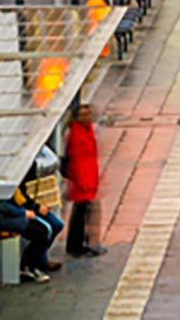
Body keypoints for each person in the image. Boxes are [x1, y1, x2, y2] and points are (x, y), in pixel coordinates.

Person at [0, 189, 58, 280]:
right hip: (0, 217)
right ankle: (29, 266)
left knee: (44, 230)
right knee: (40, 232)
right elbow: (1, 206)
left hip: (11, 214)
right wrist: (23, 212)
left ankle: (30, 265)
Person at [63, 104, 102, 257]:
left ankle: (82, 243)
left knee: (84, 214)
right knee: (80, 215)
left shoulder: (86, 130)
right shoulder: (76, 135)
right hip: (82, 181)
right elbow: (77, 161)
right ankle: (76, 245)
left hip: (88, 178)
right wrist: (82, 182)